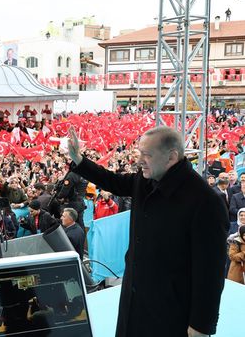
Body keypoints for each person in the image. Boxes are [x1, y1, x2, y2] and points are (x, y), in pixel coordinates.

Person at [67, 126, 229, 337]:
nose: (139, 160)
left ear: (171, 157)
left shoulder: (205, 201)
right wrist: (79, 160)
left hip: (170, 312)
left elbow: (210, 272)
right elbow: (113, 182)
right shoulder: (147, 179)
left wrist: (201, 325)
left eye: (146, 154)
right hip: (134, 300)